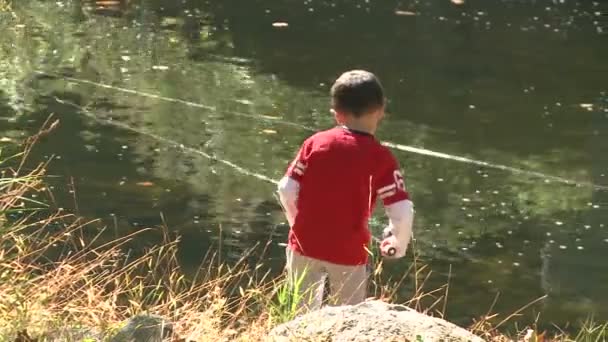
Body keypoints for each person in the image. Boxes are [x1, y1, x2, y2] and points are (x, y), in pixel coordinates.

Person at [276, 70, 415, 312]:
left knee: (300, 314)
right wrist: (397, 243)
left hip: (303, 245)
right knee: (348, 319)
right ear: (381, 110)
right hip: (349, 251)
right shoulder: (381, 157)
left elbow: (286, 188)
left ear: (336, 113)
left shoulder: (315, 143)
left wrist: (297, 224)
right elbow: (402, 209)